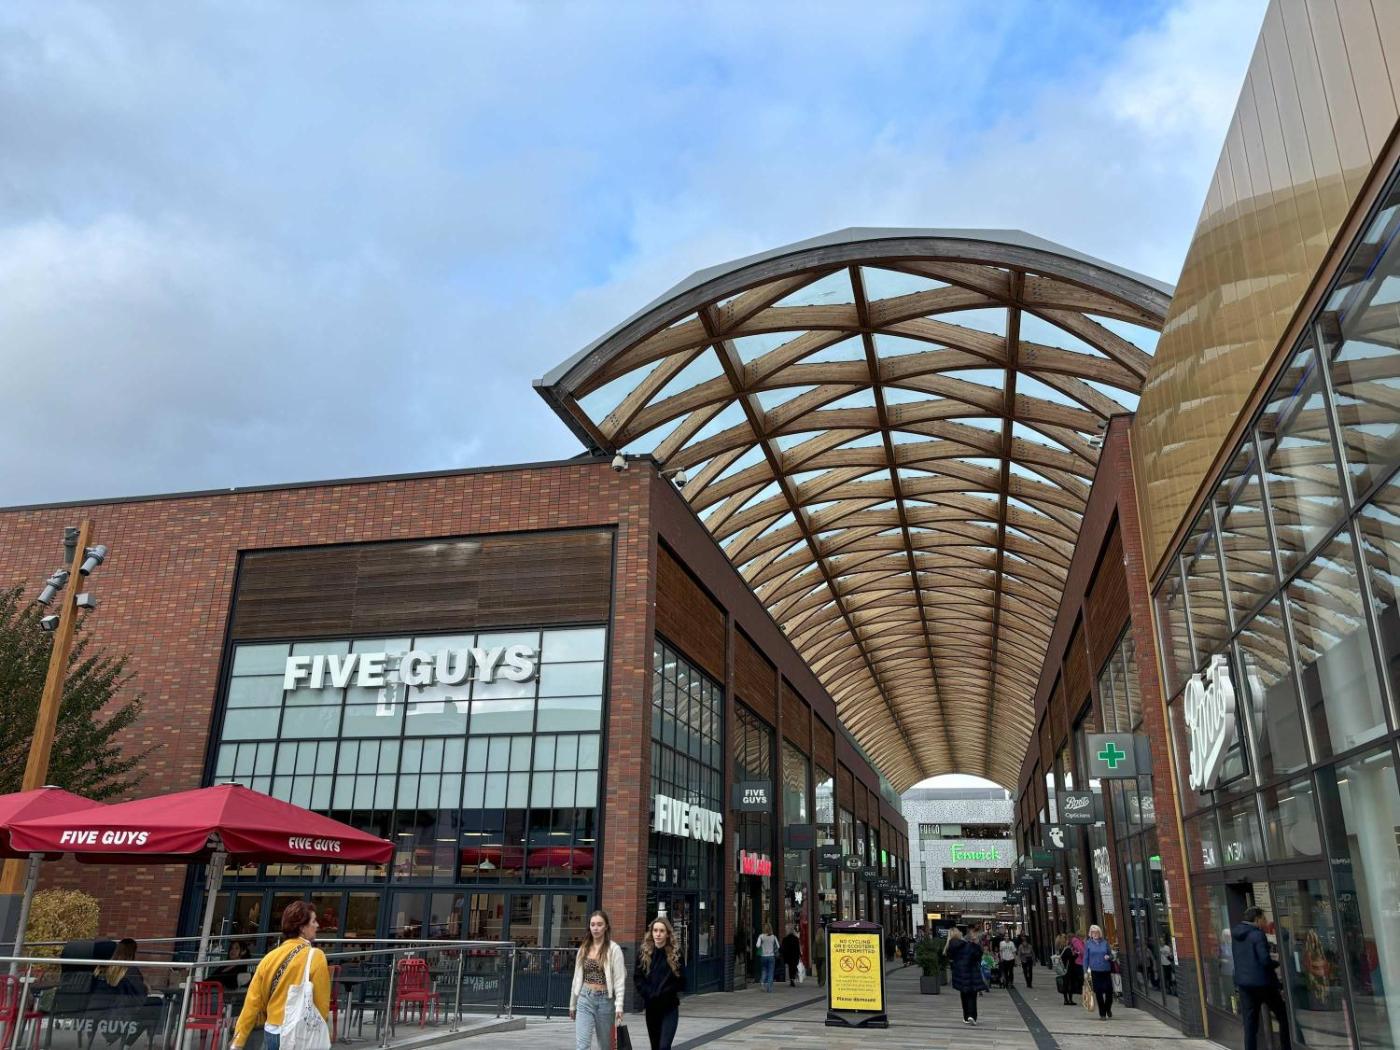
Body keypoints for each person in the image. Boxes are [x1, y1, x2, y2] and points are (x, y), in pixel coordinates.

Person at [231, 901, 331, 1050]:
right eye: (313, 921)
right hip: (299, 1034)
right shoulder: (316, 956)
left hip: (272, 1031)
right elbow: (322, 1004)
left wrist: (238, 1040)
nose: (317, 925)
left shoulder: (269, 958)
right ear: (302, 927)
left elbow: (252, 1003)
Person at [1232, 906, 1292, 1050]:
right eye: (1264, 918)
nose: (1265, 921)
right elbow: (1264, 960)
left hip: (1244, 985)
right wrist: (1276, 963)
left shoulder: (1237, 934)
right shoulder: (1257, 935)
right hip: (1263, 983)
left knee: (1250, 1024)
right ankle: (1287, 1046)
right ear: (1257, 919)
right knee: (1283, 1016)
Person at [569, 910, 626, 1050]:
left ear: (606, 927)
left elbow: (619, 980)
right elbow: (576, 979)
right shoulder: (583, 949)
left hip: (605, 1001)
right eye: (592, 924)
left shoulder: (614, 949)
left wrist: (619, 1006)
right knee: (582, 1046)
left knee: (606, 1046)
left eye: (599, 924)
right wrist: (572, 1004)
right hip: (585, 998)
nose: (595, 928)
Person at [634, 916, 684, 1050]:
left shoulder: (676, 954)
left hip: (669, 1007)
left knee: (664, 1046)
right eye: (655, 930)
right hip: (652, 1007)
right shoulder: (644, 953)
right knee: (655, 1046)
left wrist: (665, 992)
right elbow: (638, 978)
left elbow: (681, 981)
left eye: (662, 931)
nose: (658, 934)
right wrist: (648, 993)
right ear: (651, 932)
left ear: (667, 934)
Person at [945, 928, 984, 1026]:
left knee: (964, 994)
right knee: (972, 995)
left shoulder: (950, 947)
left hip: (959, 974)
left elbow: (950, 959)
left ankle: (966, 1016)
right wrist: (976, 943)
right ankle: (972, 1016)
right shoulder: (967, 945)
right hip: (971, 972)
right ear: (958, 934)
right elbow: (977, 955)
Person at [1083, 925, 1115, 1019]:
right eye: (1093, 932)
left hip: (1106, 970)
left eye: (1096, 932)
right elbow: (1085, 959)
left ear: (1099, 933)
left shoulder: (1105, 943)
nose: (1095, 934)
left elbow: (1111, 955)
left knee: (1109, 992)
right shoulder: (1088, 944)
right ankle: (1102, 1014)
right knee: (1098, 992)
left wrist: (1109, 957)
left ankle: (1108, 1008)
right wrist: (1085, 971)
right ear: (1090, 934)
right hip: (1095, 971)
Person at [755, 925, 779, 992]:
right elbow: (778, 946)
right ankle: (769, 988)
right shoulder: (774, 937)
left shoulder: (761, 936)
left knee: (764, 970)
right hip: (771, 956)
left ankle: (762, 983)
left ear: (764, 929)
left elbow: (757, 946)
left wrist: (762, 944)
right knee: (771, 972)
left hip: (763, 956)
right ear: (771, 929)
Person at [1056, 934, 1075, 1005]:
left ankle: (1065, 1000)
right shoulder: (1067, 949)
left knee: (1065, 984)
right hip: (1068, 968)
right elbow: (1071, 958)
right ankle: (1070, 1000)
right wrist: (1075, 954)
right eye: (1066, 939)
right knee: (1070, 984)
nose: (1068, 940)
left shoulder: (1060, 949)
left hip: (1062, 968)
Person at [1068, 931, 1086, 1003]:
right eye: (1083, 937)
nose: (1084, 938)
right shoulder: (1077, 941)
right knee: (1082, 981)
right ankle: (1084, 996)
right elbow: (1082, 951)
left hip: (1079, 963)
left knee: (1082, 981)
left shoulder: (1077, 941)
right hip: (1079, 963)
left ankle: (1083, 996)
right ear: (1080, 936)